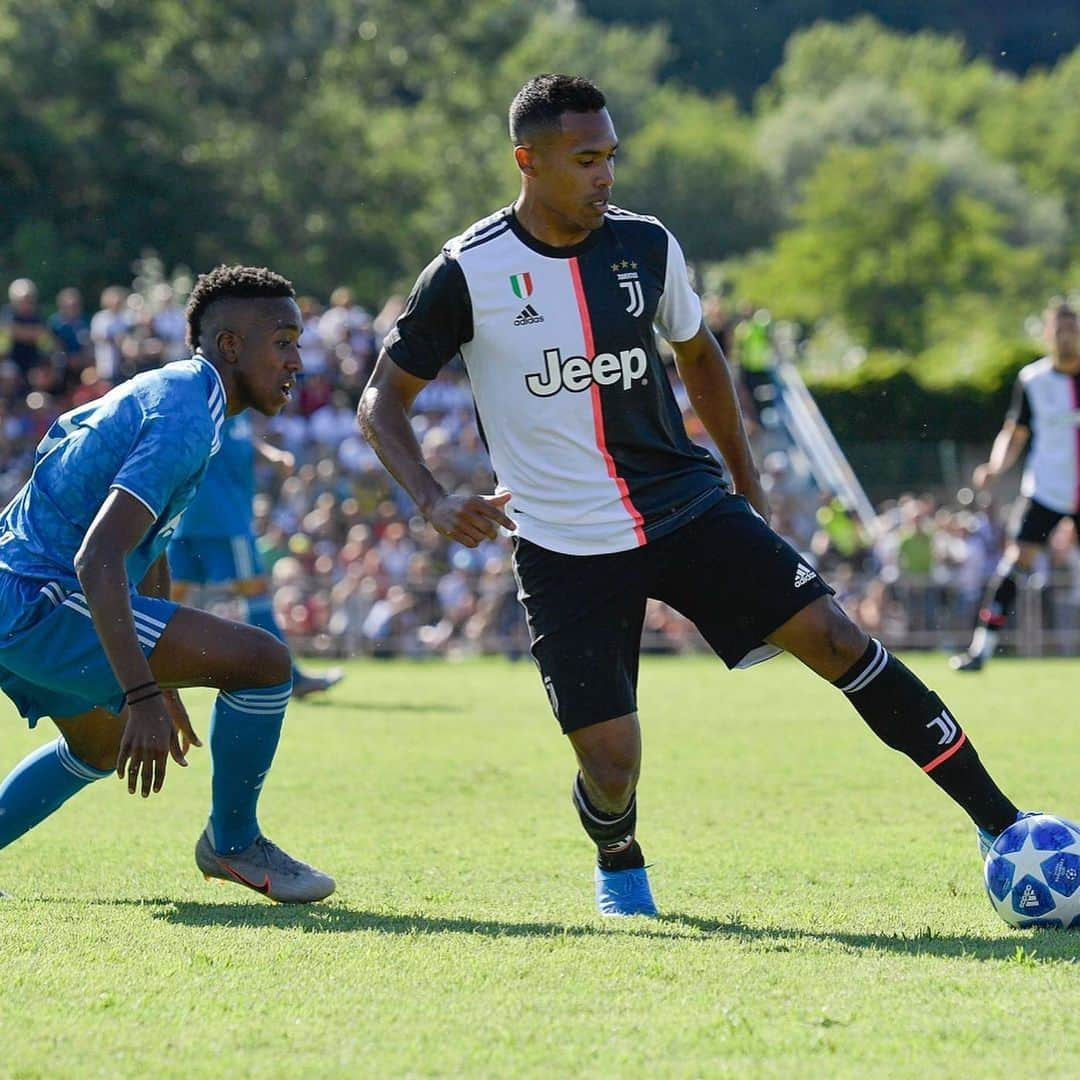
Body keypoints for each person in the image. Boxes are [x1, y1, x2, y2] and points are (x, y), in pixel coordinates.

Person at [358, 74, 1038, 916]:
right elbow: (380, 401)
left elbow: (701, 359)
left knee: (834, 638)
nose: (607, 175)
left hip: (683, 503)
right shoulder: (468, 270)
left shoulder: (646, 245)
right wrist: (428, 497)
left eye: (611, 155)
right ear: (527, 162)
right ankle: (619, 854)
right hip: (562, 541)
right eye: (586, 159)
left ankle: (1004, 824)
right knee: (611, 766)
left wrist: (746, 489)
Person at [0, 265, 334, 903]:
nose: (297, 359)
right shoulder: (186, 414)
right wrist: (144, 689)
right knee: (264, 662)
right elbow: (98, 558)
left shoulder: (179, 395)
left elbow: (142, 546)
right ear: (230, 345)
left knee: (98, 746)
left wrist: (161, 674)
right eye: (283, 341)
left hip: (16, 595)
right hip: (41, 601)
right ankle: (232, 845)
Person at [168, 411, 345, 698]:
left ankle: (135, 676)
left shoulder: (226, 409)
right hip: (224, 522)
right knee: (254, 595)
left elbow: (236, 442)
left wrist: (270, 455)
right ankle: (290, 677)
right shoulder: (217, 400)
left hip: (187, 520)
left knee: (168, 598)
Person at [951, 300, 1080, 672]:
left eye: (1072, 329)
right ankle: (981, 650)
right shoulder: (1033, 380)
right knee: (1014, 563)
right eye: (1059, 329)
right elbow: (1015, 432)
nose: (1066, 336)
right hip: (1046, 490)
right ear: (1047, 334)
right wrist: (995, 466)